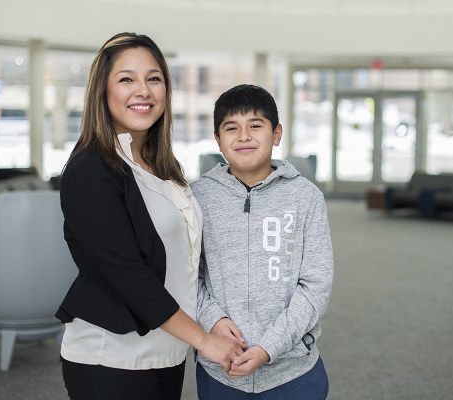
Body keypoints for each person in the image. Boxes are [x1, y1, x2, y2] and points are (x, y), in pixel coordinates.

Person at [55, 32, 246, 400]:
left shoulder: (163, 168)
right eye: (126, 79)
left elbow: (184, 262)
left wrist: (211, 322)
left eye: (153, 78)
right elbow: (129, 276)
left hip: (167, 354)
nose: (143, 90)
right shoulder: (90, 171)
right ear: (102, 91)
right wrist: (204, 340)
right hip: (112, 360)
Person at [190, 84, 334, 399]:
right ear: (217, 138)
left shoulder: (306, 197)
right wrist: (213, 320)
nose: (244, 136)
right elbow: (188, 276)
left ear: (276, 133)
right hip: (221, 370)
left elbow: (316, 285)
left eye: (255, 125)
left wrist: (269, 347)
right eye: (231, 128)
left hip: (293, 373)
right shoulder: (197, 197)